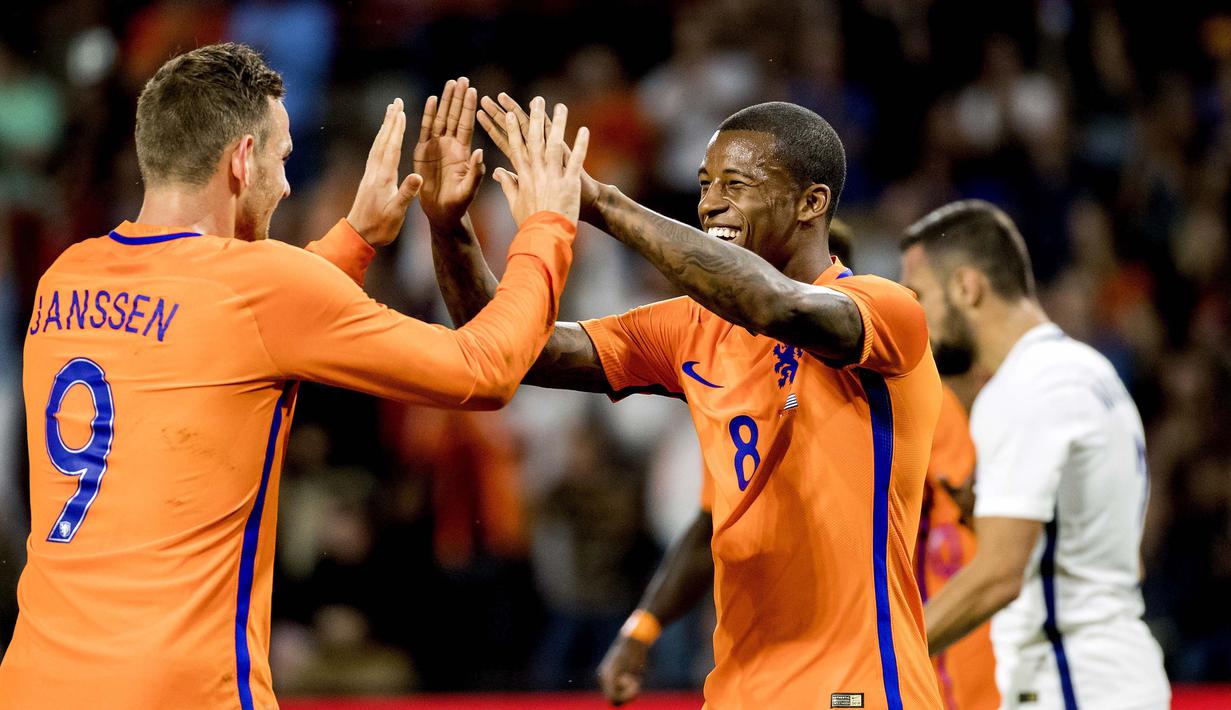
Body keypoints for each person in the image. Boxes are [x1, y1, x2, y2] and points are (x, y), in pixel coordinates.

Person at [0, 45, 589, 709]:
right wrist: (547, 226)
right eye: (281, 159)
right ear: (242, 160)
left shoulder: (64, 277)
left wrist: (355, 239)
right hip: (178, 692)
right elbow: (484, 371)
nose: (285, 185)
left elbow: (215, 331)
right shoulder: (259, 287)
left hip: (34, 682)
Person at [429, 85, 944, 709]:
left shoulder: (888, 313)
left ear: (812, 203)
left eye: (736, 184)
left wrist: (597, 202)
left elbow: (771, 302)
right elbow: (514, 349)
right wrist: (450, 226)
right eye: (704, 183)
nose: (710, 204)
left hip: (858, 686)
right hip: (736, 690)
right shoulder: (693, 329)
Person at [594, 225, 999, 710]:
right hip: (772, 674)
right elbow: (712, 527)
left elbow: (979, 538)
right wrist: (644, 625)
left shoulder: (897, 394)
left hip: (911, 669)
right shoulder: (743, 402)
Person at [899, 200, 1170, 709]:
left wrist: (879, 656)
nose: (914, 319)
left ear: (966, 287)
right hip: (1108, 676)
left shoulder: (1029, 387)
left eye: (919, 296)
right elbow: (1121, 558)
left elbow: (999, 575)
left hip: (1073, 684)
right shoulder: (1087, 370)